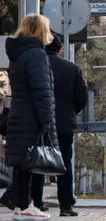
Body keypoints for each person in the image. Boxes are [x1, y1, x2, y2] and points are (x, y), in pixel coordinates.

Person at [5, 14, 57, 220]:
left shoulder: (17, 55)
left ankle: (21, 206)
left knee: (22, 163)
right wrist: (47, 120)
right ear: (42, 31)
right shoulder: (36, 55)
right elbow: (42, 90)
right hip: (31, 117)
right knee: (31, 163)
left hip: (19, 113)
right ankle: (26, 206)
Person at [45, 34, 88, 216]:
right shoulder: (72, 68)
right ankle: (65, 206)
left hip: (40, 122)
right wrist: (71, 111)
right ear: (60, 49)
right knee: (64, 164)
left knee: (37, 161)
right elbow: (82, 98)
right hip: (64, 124)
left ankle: (35, 203)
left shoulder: (37, 66)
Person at [0, 72, 49, 213]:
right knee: (31, 165)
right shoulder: (34, 86)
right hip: (29, 128)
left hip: (19, 129)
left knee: (24, 167)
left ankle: (18, 200)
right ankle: (24, 203)